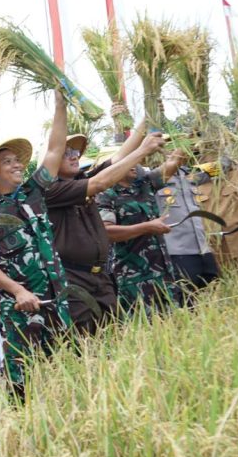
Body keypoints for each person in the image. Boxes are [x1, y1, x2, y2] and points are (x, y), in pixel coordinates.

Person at [0, 88, 70, 399]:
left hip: (58, 301)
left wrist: (60, 105)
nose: (16, 165)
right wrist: (17, 290)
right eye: (7, 162)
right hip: (21, 310)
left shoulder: (33, 193)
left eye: (17, 161)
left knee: (66, 375)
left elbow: (54, 149)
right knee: (24, 383)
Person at [43, 125, 167, 334]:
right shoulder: (51, 190)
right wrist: (144, 150)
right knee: (87, 343)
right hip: (73, 279)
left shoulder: (81, 179)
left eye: (75, 153)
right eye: (66, 154)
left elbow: (118, 158)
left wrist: (144, 121)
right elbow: (101, 183)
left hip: (100, 276)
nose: (74, 157)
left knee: (115, 337)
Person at [96, 157, 179, 313]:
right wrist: (147, 227)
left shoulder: (145, 185)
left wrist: (183, 140)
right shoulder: (106, 195)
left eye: (134, 161)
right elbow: (107, 232)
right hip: (134, 279)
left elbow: (173, 163)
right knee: (146, 331)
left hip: (164, 274)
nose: (134, 165)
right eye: (127, 162)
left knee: (175, 327)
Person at [156, 147, 221, 292]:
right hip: (178, 253)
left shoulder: (192, 174)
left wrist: (234, 135)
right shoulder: (153, 177)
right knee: (186, 298)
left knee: (214, 293)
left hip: (203, 248)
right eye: (166, 147)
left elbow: (223, 166)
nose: (173, 150)